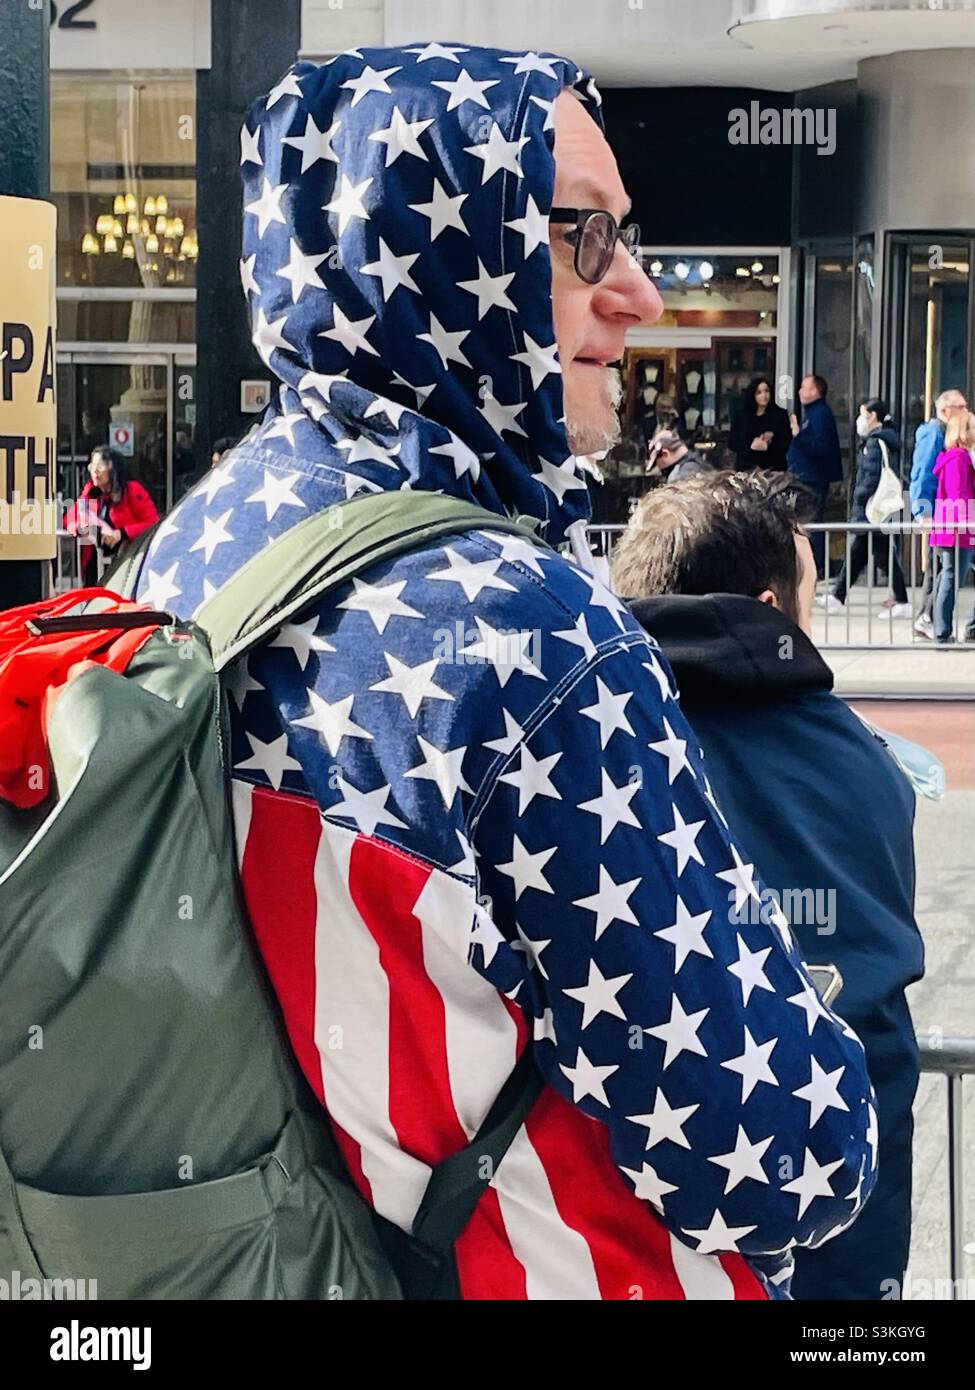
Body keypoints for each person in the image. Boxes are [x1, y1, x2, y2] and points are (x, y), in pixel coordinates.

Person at [131, 45, 875, 1300]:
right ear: (436, 243)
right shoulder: (525, 627)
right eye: (582, 236)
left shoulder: (193, 547)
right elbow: (771, 1150)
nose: (636, 291)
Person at [613, 469, 924, 1301]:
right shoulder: (858, 760)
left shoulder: (586, 723)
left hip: (615, 1218)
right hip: (837, 1222)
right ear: (770, 605)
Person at [818, 399, 910, 619]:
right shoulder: (885, 439)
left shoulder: (875, 443)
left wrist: (859, 498)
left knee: (881, 553)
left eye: (863, 414)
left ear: (873, 416)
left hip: (871, 508)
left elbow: (870, 476)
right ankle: (838, 595)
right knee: (860, 551)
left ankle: (902, 600)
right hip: (875, 509)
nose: (859, 420)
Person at [909, 388, 967, 639]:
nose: (966, 412)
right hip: (940, 513)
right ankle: (928, 617)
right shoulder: (934, 434)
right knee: (941, 569)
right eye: (961, 407)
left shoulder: (944, 434)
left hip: (944, 512)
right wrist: (924, 511)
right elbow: (922, 475)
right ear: (945, 410)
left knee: (940, 569)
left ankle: (928, 616)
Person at [65, 446, 159, 586]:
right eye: (92, 466)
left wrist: (121, 534)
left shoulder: (131, 490)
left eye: (100, 466)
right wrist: (83, 528)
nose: (95, 471)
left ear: (113, 468)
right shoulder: (91, 493)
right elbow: (70, 519)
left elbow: (152, 523)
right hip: (93, 564)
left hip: (125, 562)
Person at [787, 374, 843, 576]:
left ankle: (817, 564)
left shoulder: (820, 415)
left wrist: (798, 435)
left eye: (804, 387)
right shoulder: (814, 413)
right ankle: (816, 564)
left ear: (815, 391)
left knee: (811, 522)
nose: (800, 391)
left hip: (812, 478)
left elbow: (819, 447)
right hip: (808, 476)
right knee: (809, 521)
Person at [929, 409, 975, 643]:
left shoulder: (954, 457)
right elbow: (960, 495)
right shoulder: (959, 458)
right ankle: (942, 629)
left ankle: (943, 627)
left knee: (949, 576)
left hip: (954, 529)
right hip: (960, 530)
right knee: (950, 577)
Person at [730, 376, 790, 471]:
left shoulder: (780, 414)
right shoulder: (741, 415)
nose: (764, 395)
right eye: (759, 392)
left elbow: (786, 442)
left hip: (773, 469)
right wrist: (751, 446)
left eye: (767, 391)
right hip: (747, 468)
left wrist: (769, 443)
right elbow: (732, 442)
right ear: (753, 395)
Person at [646, 426, 715, 482]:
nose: (659, 467)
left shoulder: (680, 476)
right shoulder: (701, 463)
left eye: (656, 463)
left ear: (665, 454)